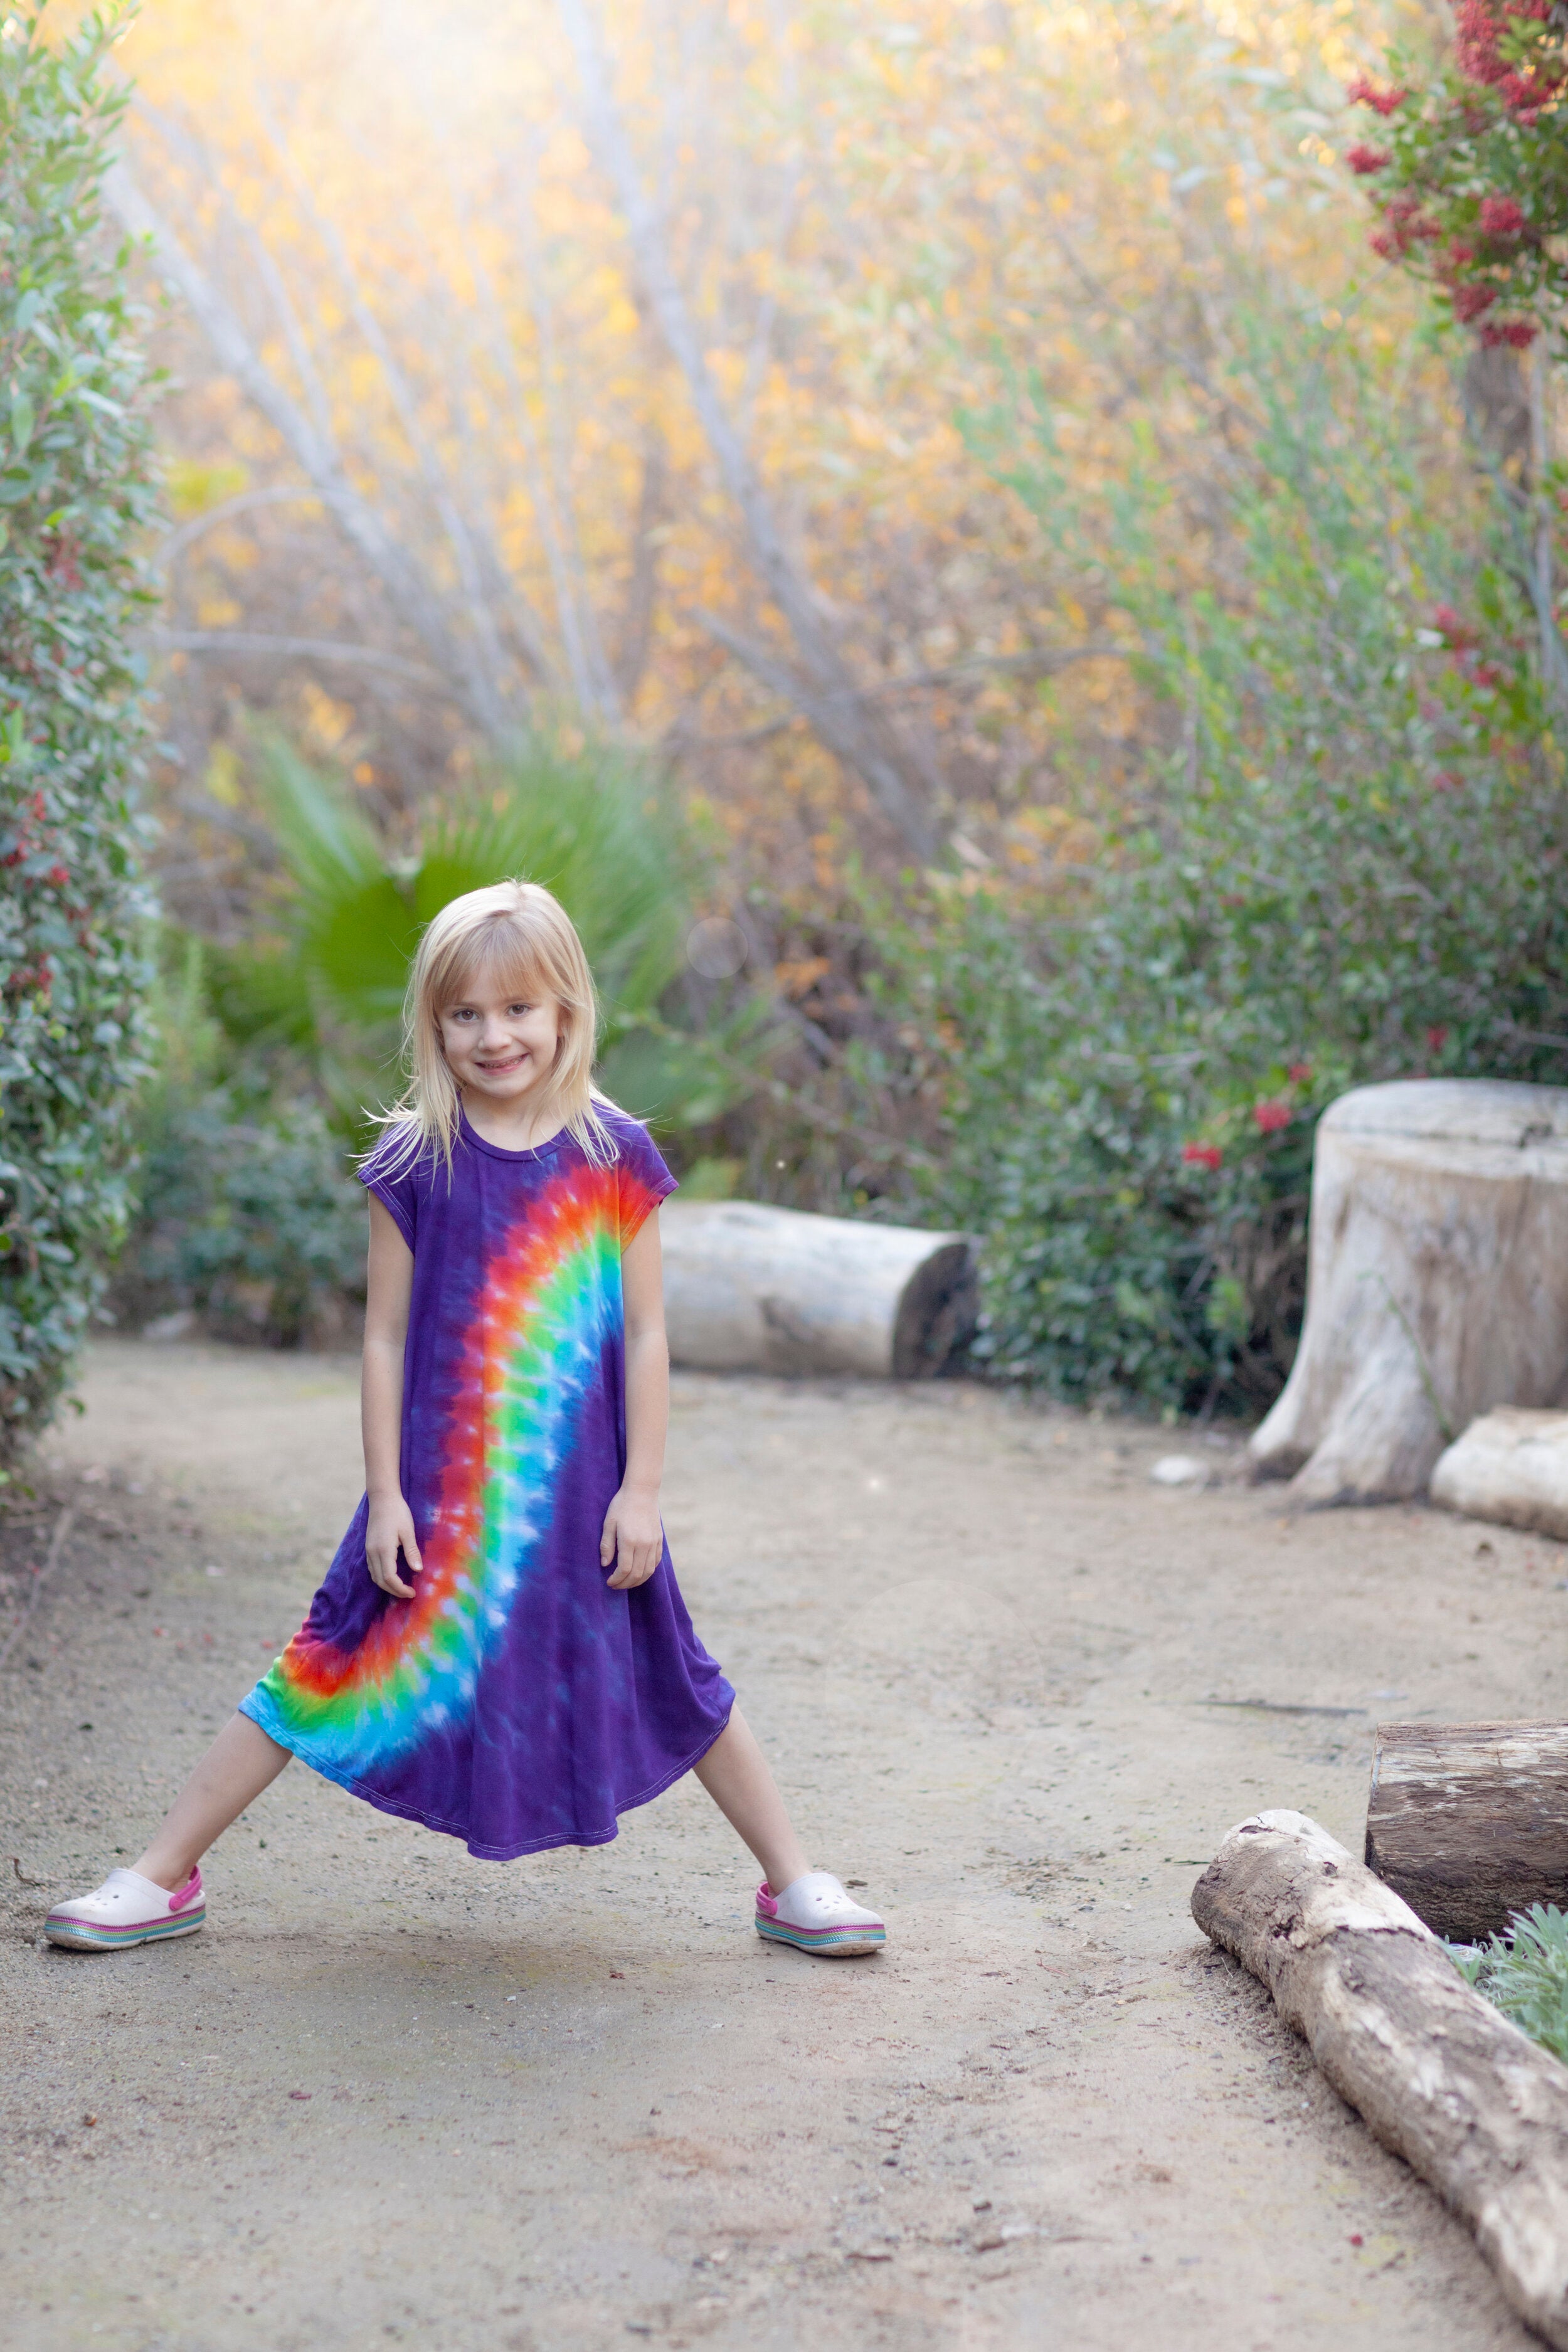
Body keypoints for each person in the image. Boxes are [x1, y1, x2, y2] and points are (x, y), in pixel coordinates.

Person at [45, 881, 884, 1962]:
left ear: (567, 1011)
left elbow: (648, 1333)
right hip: (437, 1497)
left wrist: (643, 1490)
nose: (495, 1036)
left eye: (520, 1009)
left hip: (583, 1498)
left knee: (676, 1674)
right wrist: (388, 1491)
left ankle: (793, 1880)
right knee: (322, 1665)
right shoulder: (415, 1159)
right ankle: (159, 1877)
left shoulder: (614, 1152)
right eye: (466, 1014)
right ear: (433, 1023)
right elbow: (385, 1337)